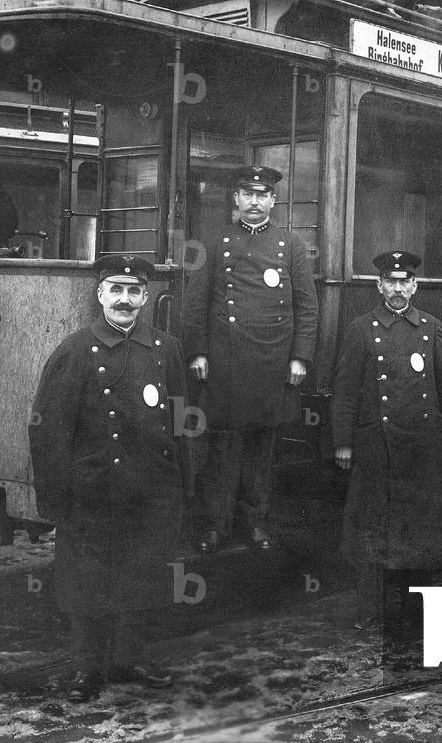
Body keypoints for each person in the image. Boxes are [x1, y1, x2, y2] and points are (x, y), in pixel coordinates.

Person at [29, 254, 191, 703]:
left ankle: (128, 658)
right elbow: (47, 429)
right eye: (115, 290)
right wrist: (54, 499)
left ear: (146, 297)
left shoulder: (166, 349)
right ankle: (86, 668)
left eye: (134, 291)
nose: (124, 299)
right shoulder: (75, 350)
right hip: (92, 491)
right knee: (87, 583)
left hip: (152, 489)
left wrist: (184, 483)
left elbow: (182, 420)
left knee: (144, 575)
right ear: (100, 294)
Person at [183, 165, 319, 552]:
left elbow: (306, 307)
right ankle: (217, 525)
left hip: (273, 363)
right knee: (223, 448)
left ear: (273, 200)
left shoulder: (290, 245)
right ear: (236, 199)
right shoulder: (214, 242)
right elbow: (195, 304)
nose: (254, 202)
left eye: (262, 195)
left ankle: (257, 522)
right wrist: (198, 351)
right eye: (247, 195)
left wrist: (300, 358)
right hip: (225, 363)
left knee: (263, 447)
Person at [332, 251, 442, 628]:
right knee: (373, 530)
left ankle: (418, 612)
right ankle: (370, 611)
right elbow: (346, 391)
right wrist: (343, 441)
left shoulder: (430, 326)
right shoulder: (361, 328)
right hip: (378, 445)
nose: (397, 289)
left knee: (420, 531)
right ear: (379, 286)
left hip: (423, 446)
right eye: (390, 282)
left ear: (414, 286)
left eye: (404, 282)